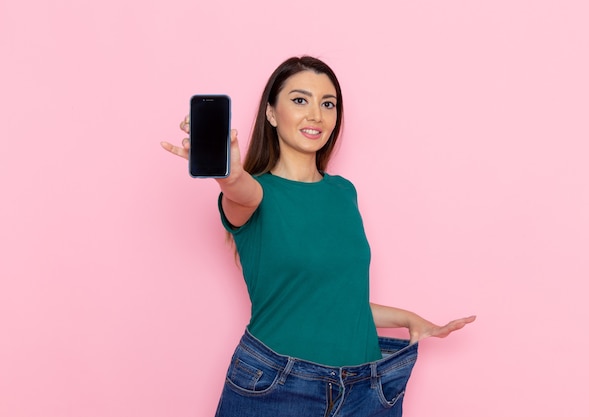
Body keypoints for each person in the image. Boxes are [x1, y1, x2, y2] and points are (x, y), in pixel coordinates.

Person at [161, 56, 475, 417]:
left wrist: (408, 319)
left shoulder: (344, 192)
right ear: (271, 114)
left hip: (366, 390)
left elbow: (335, 304)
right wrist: (228, 173)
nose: (317, 115)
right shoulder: (255, 195)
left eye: (328, 104)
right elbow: (238, 189)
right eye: (299, 100)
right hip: (278, 386)